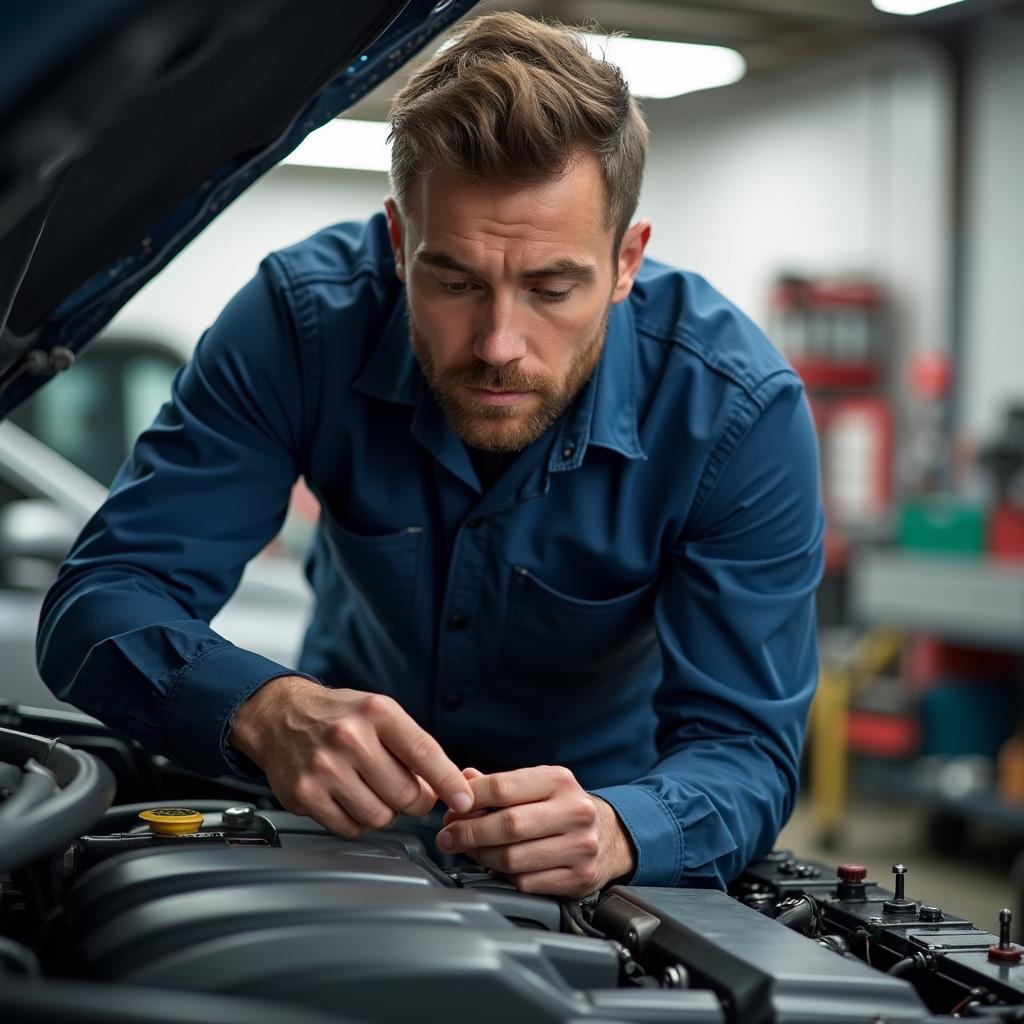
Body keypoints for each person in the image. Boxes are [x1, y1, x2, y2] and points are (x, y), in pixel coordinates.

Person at [37, 11, 824, 898]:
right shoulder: (300, 326)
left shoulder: (736, 413)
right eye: (453, 281)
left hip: (595, 867)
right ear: (398, 241)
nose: (498, 343)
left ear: (627, 261)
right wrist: (262, 709)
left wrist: (622, 830)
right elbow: (100, 600)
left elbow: (747, 751)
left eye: (551, 287)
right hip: (329, 834)